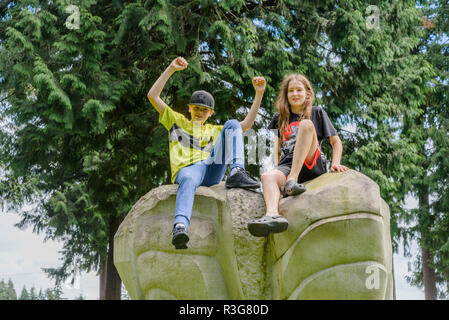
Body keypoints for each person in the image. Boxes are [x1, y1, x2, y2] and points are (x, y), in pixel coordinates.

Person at [147, 56, 266, 249]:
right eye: (197, 108)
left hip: (212, 170)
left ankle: (237, 172)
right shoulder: (176, 121)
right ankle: (180, 227)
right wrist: (170, 68)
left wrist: (258, 94)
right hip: (189, 170)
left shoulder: (214, 130)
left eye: (205, 110)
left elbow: (246, 125)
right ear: (190, 109)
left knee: (233, 124)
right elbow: (153, 96)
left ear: (211, 113)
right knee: (187, 180)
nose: (200, 112)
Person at [247, 73, 349, 237]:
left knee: (306, 124)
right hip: (288, 164)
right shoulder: (278, 118)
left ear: (308, 93)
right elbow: (278, 149)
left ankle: (292, 180)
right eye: (291, 91)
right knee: (267, 176)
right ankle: (272, 215)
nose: (295, 94)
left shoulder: (317, 112)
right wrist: (276, 171)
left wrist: (335, 163)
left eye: (299, 90)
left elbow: (336, 142)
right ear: (286, 95)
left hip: (311, 161)